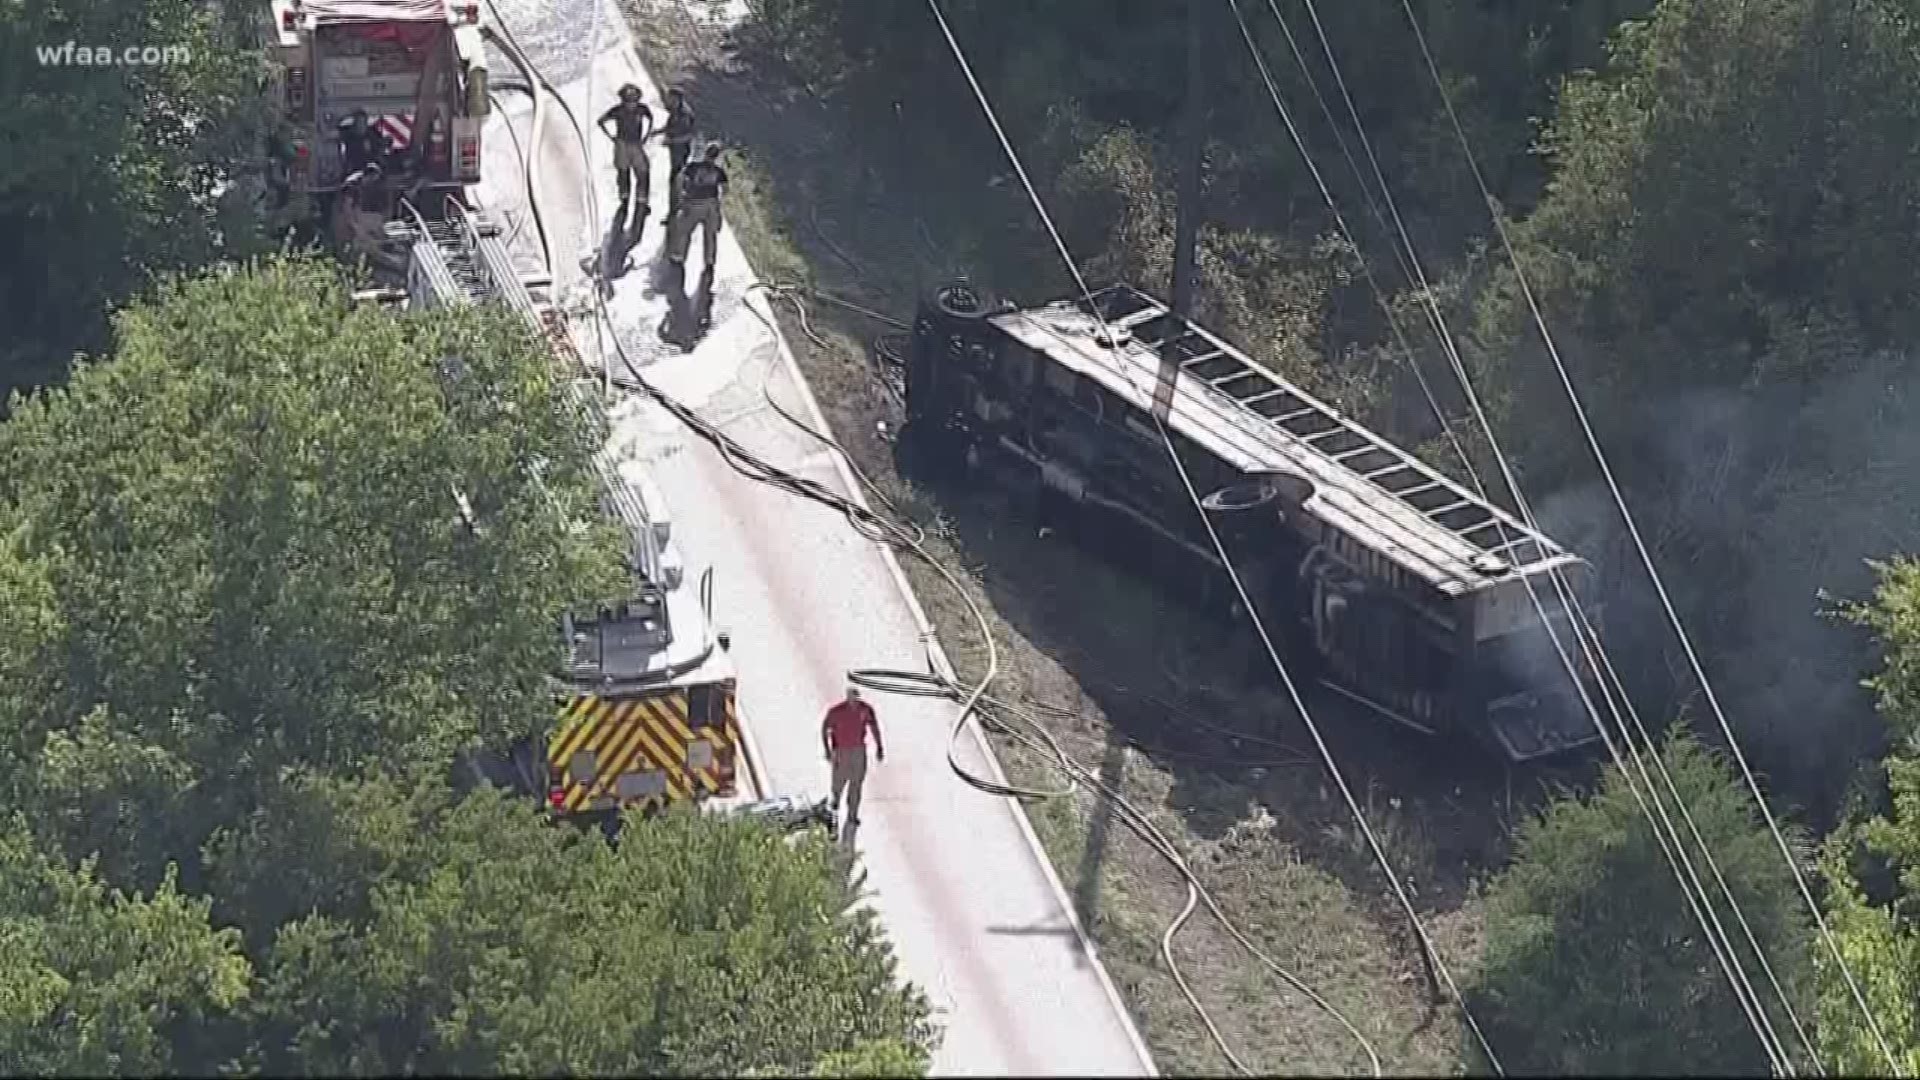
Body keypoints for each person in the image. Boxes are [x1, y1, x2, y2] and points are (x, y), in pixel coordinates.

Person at [821, 685, 884, 828]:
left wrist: (879, 747)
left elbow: (874, 727)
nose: (855, 701)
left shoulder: (865, 709)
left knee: (856, 784)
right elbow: (825, 728)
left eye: (856, 698)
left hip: (858, 750)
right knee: (839, 781)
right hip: (841, 751)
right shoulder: (836, 711)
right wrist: (828, 750)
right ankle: (835, 803)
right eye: (852, 698)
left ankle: (852, 815)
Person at [665, 142, 727, 271]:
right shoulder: (719, 172)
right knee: (710, 235)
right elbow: (725, 189)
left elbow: (679, 179)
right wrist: (718, 204)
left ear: (705, 153)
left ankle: (679, 256)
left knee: (684, 231)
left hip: (693, 202)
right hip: (711, 205)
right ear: (717, 157)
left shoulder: (693, 167)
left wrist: (682, 194)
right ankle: (709, 261)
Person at [598, 84, 653, 229]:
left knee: (639, 173)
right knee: (628, 172)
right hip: (626, 144)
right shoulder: (622, 110)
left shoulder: (640, 109)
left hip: (631, 144)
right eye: (628, 99)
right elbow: (601, 121)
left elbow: (650, 120)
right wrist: (612, 137)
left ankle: (638, 201)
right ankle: (627, 200)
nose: (631, 102)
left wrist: (646, 136)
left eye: (633, 99)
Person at [656, 87, 696, 221]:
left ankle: (674, 211)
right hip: (675, 151)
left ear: (677, 98)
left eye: (670, 97)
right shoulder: (675, 110)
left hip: (680, 152)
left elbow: (688, 136)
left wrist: (671, 140)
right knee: (677, 180)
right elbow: (671, 126)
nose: (668, 100)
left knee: (675, 182)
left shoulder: (685, 114)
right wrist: (659, 132)